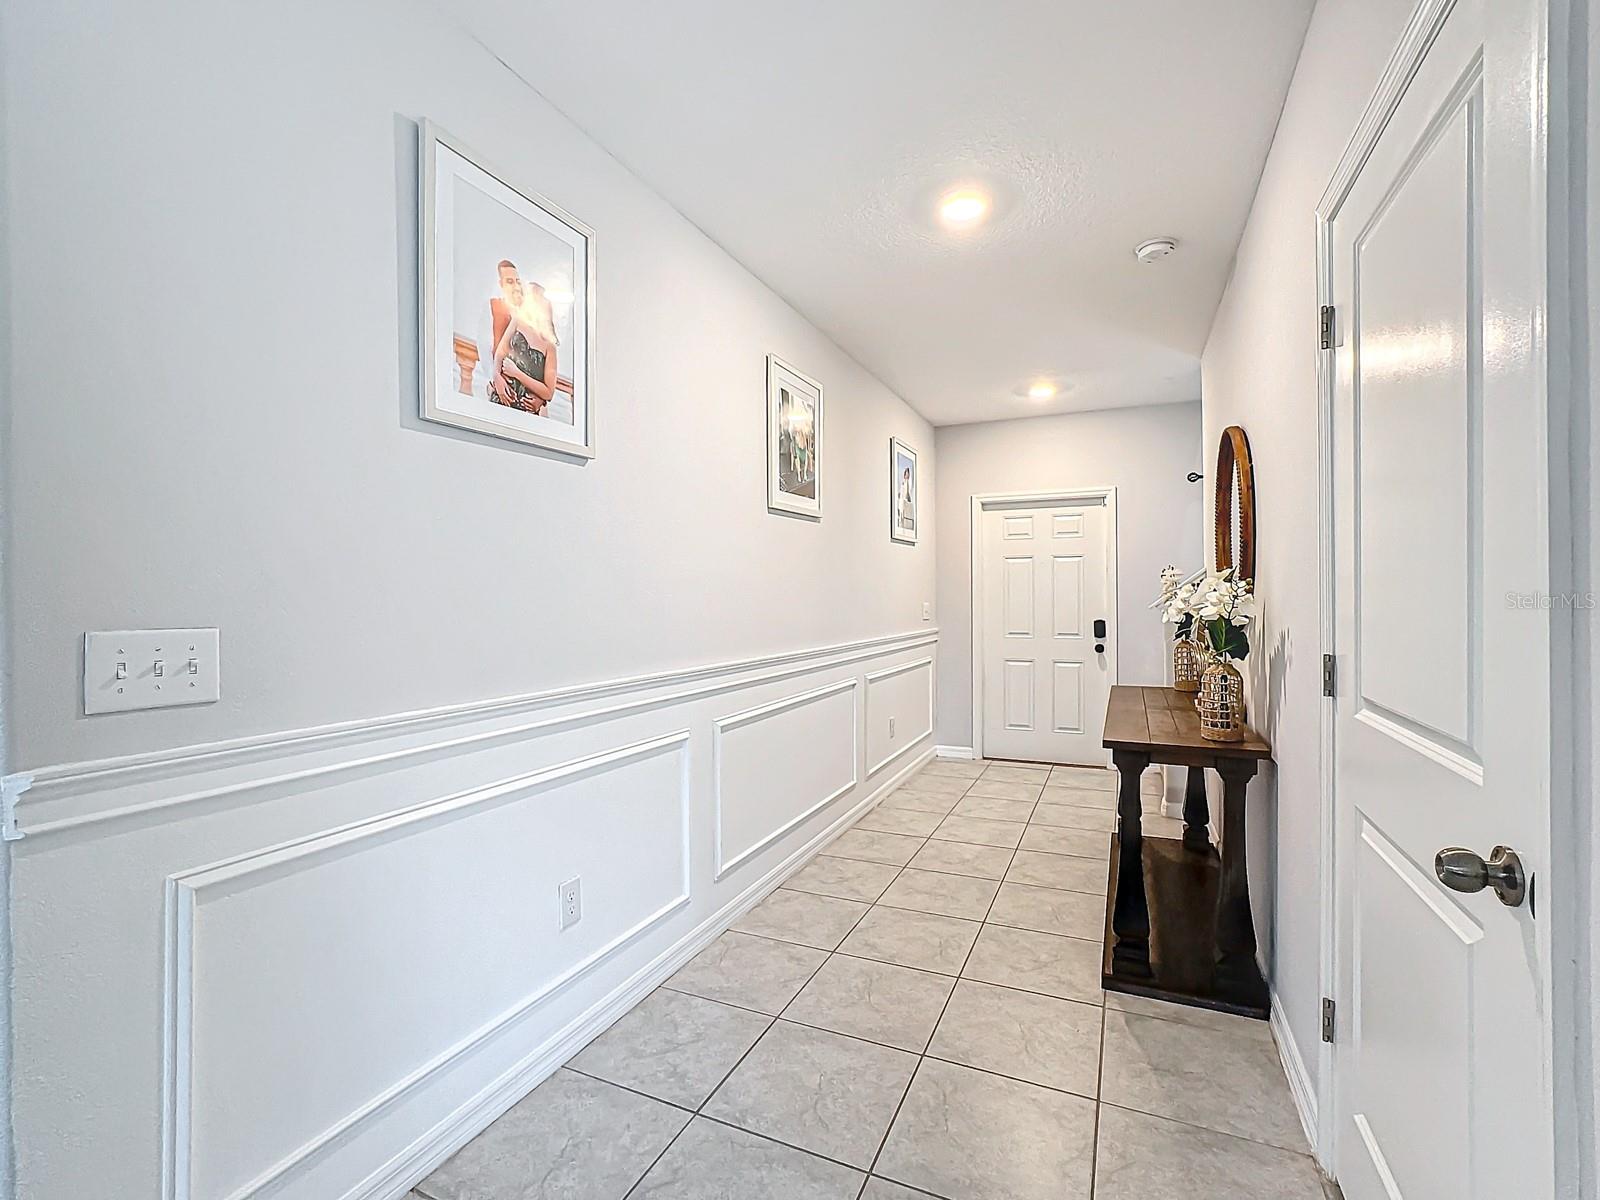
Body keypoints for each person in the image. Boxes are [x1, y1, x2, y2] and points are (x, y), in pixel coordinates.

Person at [485, 261, 558, 414]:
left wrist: (517, 373)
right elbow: (500, 352)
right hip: (502, 399)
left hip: (525, 411)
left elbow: (549, 392)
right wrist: (497, 376)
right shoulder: (518, 321)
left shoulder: (550, 346)